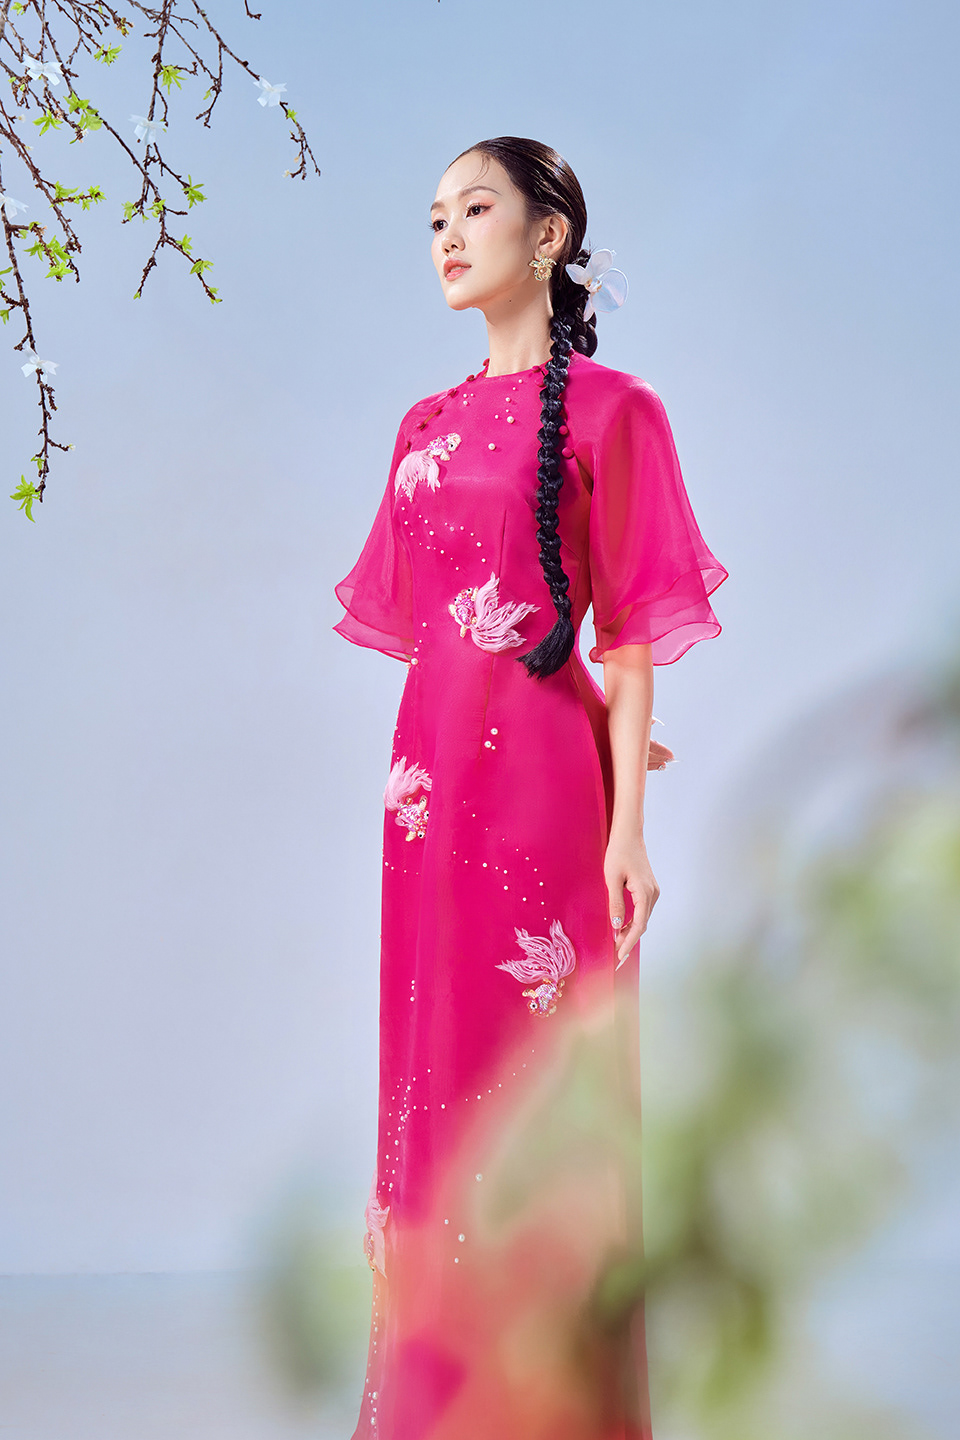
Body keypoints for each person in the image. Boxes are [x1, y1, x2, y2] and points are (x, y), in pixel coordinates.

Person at [332, 135, 728, 1440]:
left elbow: (625, 633)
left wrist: (628, 826)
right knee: (433, 1087)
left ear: (549, 235)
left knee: (549, 1095)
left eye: (476, 208)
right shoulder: (423, 426)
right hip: (425, 799)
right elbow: (449, 634)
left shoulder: (618, 411)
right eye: (433, 217)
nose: (447, 236)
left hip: (552, 808)